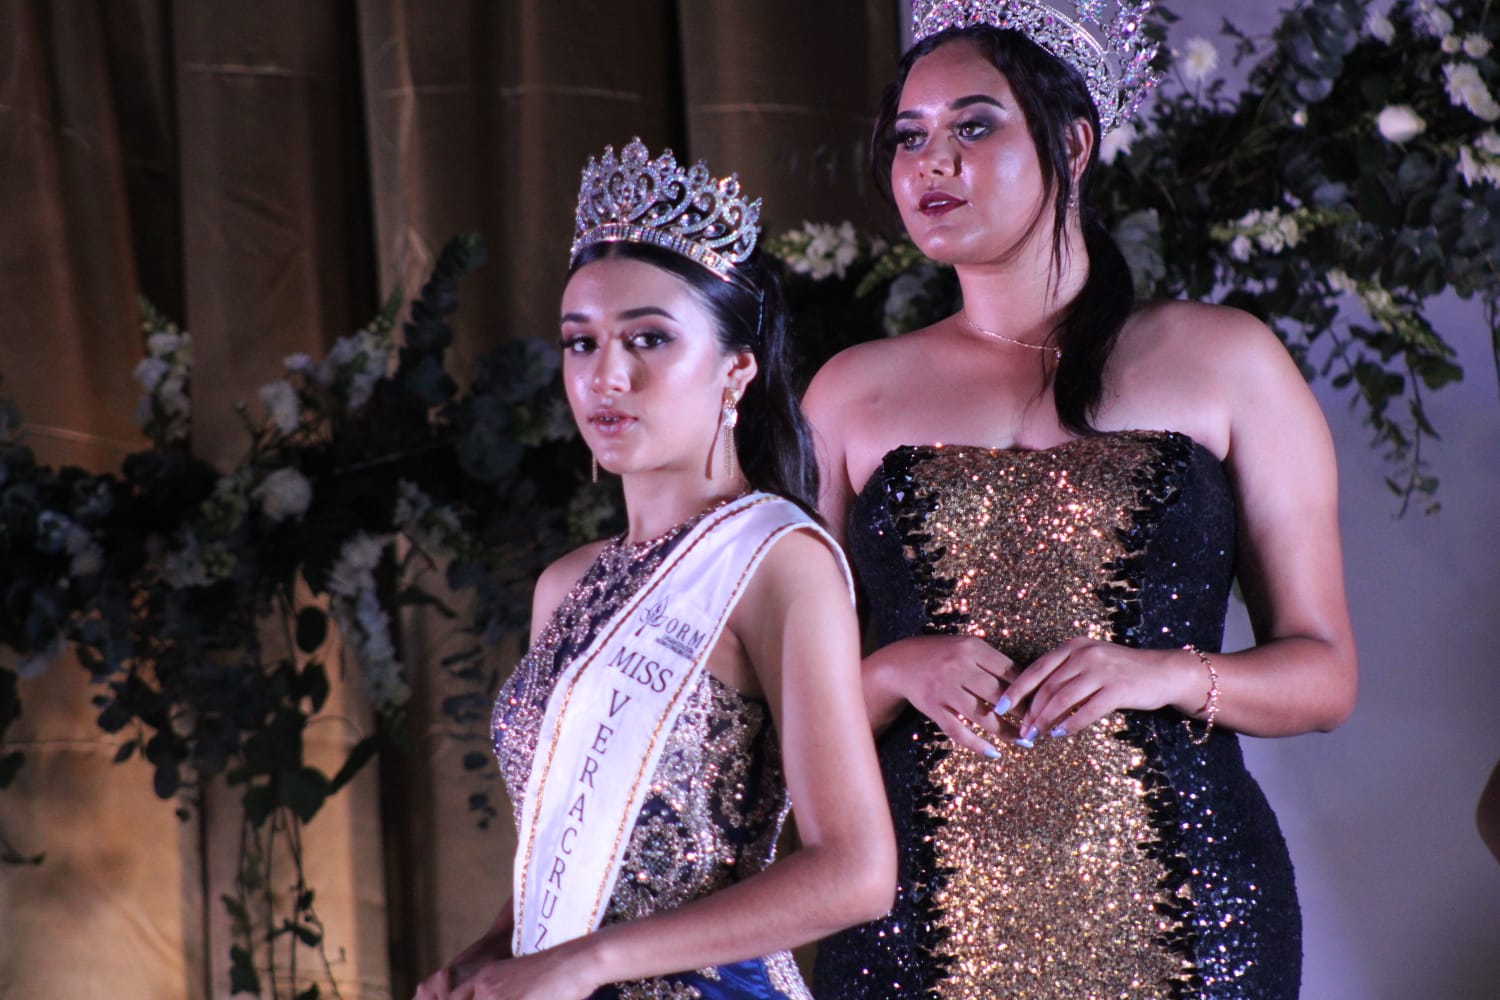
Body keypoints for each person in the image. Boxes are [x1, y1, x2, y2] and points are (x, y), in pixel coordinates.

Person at [803, 3, 1358, 998]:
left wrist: (1161, 673)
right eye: (909, 137)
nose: (933, 162)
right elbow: (780, 705)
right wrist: (893, 669)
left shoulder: (1226, 359)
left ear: (1072, 143)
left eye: (974, 125)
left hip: (1190, 910)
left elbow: (1323, 676)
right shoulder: (849, 393)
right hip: (915, 924)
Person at [413, 139, 895, 1000]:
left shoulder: (776, 560)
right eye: (580, 343)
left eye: (648, 338)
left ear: (735, 370)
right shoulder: (564, 585)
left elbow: (855, 873)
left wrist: (585, 962)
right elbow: (570, 847)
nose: (607, 376)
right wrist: (493, 952)